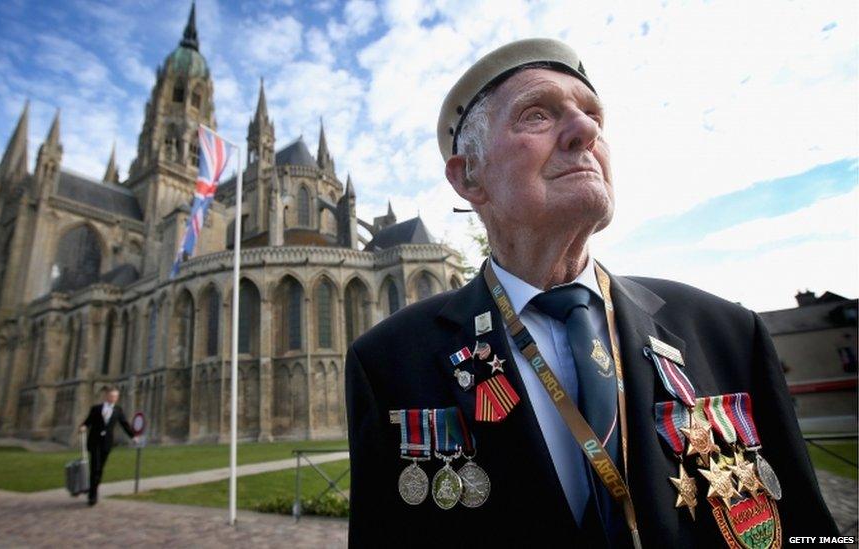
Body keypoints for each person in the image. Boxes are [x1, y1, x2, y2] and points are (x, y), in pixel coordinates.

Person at [345, 39, 840, 548]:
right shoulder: (388, 362)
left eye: (592, 114)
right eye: (537, 114)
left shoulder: (727, 331)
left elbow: (809, 531)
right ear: (469, 175)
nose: (586, 130)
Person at [79, 387, 136, 506]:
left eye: (116, 396)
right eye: (112, 396)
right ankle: (92, 496)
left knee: (100, 469)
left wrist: (133, 436)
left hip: (107, 443)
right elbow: (88, 421)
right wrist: (83, 426)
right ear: (107, 396)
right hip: (95, 442)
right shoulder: (96, 409)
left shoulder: (118, 410)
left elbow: (124, 424)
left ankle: (93, 488)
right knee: (95, 467)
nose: (114, 398)